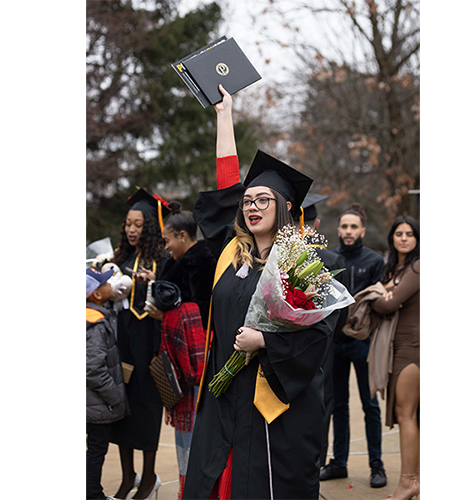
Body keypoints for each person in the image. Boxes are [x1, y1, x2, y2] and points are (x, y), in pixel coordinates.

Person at [183, 84, 339, 500]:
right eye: (247, 201)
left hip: (272, 405)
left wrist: (265, 340)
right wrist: (223, 117)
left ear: (284, 206)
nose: (251, 206)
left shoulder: (301, 262)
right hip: (225, 394)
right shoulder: (231, 254)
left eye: (262, 200)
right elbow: (225, 184)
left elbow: (319, 334)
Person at [143, 203, 215, 500]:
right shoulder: (176, 261)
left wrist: (166, 317)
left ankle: (197, 491)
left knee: (196, 434)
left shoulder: (204, 262)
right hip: (178, 361)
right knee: (186, 435)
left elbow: (200, 313)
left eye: (168, 239)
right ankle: (189, 489)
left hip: (197, 361)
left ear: (183, 236)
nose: (165, 245)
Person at [320, 203, 387, 488]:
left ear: (362, 229)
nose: (348, 231)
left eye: (353, 227)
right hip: (335, 343)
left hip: (362, 343)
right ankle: (339, 462)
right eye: (344, 227)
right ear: (338, 229)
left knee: (370, 405)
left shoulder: (374, 261)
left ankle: (376, 465)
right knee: (338, 406)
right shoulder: (329, 258)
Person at [110, 188, 170, 500]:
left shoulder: (162, 258)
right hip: (122, 345)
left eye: (138, 225)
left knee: (146, 411)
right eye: (128, 224)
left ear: (149, 226)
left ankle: (148, 477)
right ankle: (127, 477)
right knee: (121, 410)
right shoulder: (119, 257)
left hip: (149, 346)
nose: (132, 230)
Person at [371, 215, 420, 500]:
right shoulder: (395, 267)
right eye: (399, 233)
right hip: (397, 348)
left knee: (407, 414)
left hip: (412, 348)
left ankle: (408, 483)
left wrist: (379, 295)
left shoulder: (417, 266)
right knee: (407, 415)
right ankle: (410, 481)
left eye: (410, 234)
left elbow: (387, 304)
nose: (403, 238)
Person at [301, 193, 349, 469]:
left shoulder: (278, 256)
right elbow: (341, 309)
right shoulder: (332, 259)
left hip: (287, 343)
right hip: (325, 344)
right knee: (323, 400)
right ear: (317, 224)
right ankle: (317, 460)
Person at [87, 268, 128, 500]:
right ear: (97, 295)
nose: (110, 284)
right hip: (97, 404)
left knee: (94, 449)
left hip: (90, 402)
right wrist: (115, 396)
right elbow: (93, 368)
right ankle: (92, 494)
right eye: (104, 283)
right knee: (96, 450)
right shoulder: (95, 324)